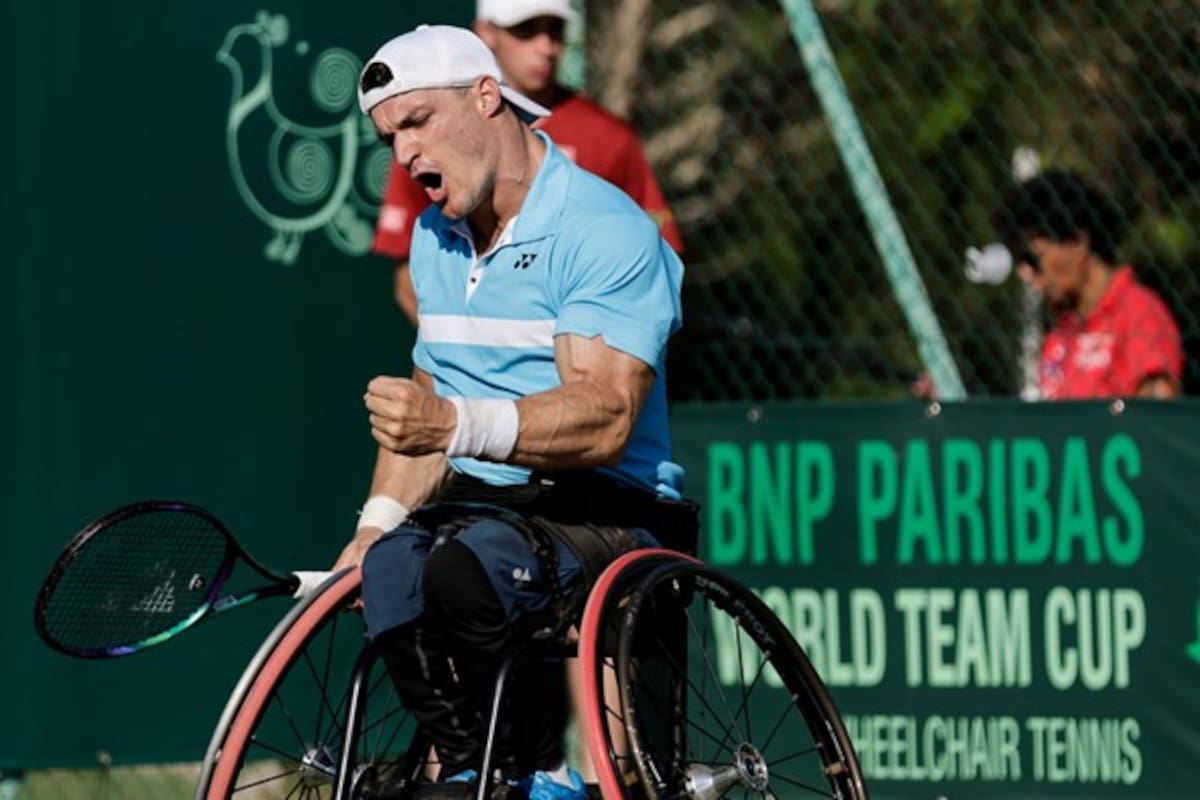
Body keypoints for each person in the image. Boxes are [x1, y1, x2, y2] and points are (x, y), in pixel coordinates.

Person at [334, 23, 691, 800]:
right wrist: (372, 526)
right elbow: (432, 404)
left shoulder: (602, 229)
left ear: (488, 97)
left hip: (610, 511)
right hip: (491, 512)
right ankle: (478, 766)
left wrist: (456, 427)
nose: (404, 156)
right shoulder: (435, 240)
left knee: (470, 567)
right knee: (395, 569)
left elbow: (604, 417)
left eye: (418, 123)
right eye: (391, 138)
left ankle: (543, 773)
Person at [372, 0, 683, 325]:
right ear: (486, 33)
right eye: (526, 30)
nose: (546, 47)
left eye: (555, 30)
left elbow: (654, 259)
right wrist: (470, 356)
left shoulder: (609, 136)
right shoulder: (423, 144)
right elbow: (409, 275)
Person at [993, 169, 1183, 399]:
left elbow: (1156, 422)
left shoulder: (1138, 313)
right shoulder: (1059, 338)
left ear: (1078, 242)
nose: (1025, 274)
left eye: (1033, 259)